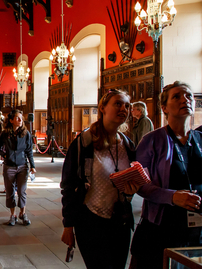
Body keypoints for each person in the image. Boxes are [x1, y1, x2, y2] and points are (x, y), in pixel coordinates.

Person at [60, 89, 140, 269]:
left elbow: (132, 182)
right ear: (102, 107)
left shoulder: (127, 145)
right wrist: (68, 225)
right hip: (90, 220)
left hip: (120, 220)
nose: (124, 109)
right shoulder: (84, 142)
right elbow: (69, 185)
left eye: (127, 106)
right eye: (118, 104)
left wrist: (131, 192)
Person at [130, 82, 202, 269]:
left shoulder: (200, 139)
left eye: (188, 96)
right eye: (176, 96)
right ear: (164, 107)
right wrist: (172, 197)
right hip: (161, 227)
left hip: (197, 228)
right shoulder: (152, 141)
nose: (184, 100)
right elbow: (139, 184)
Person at [0, 109, 36, 226]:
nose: (20, 120)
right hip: (9, 166)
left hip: (23, 166)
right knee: (10, 191)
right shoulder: (5, 133)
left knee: (22, 191)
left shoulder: (26, 133)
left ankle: (22, 213)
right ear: (12, 120)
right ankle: (12, 215)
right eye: (17, 118)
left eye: (21, 118)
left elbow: (29, 151)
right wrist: (4, 155)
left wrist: (32, 166)